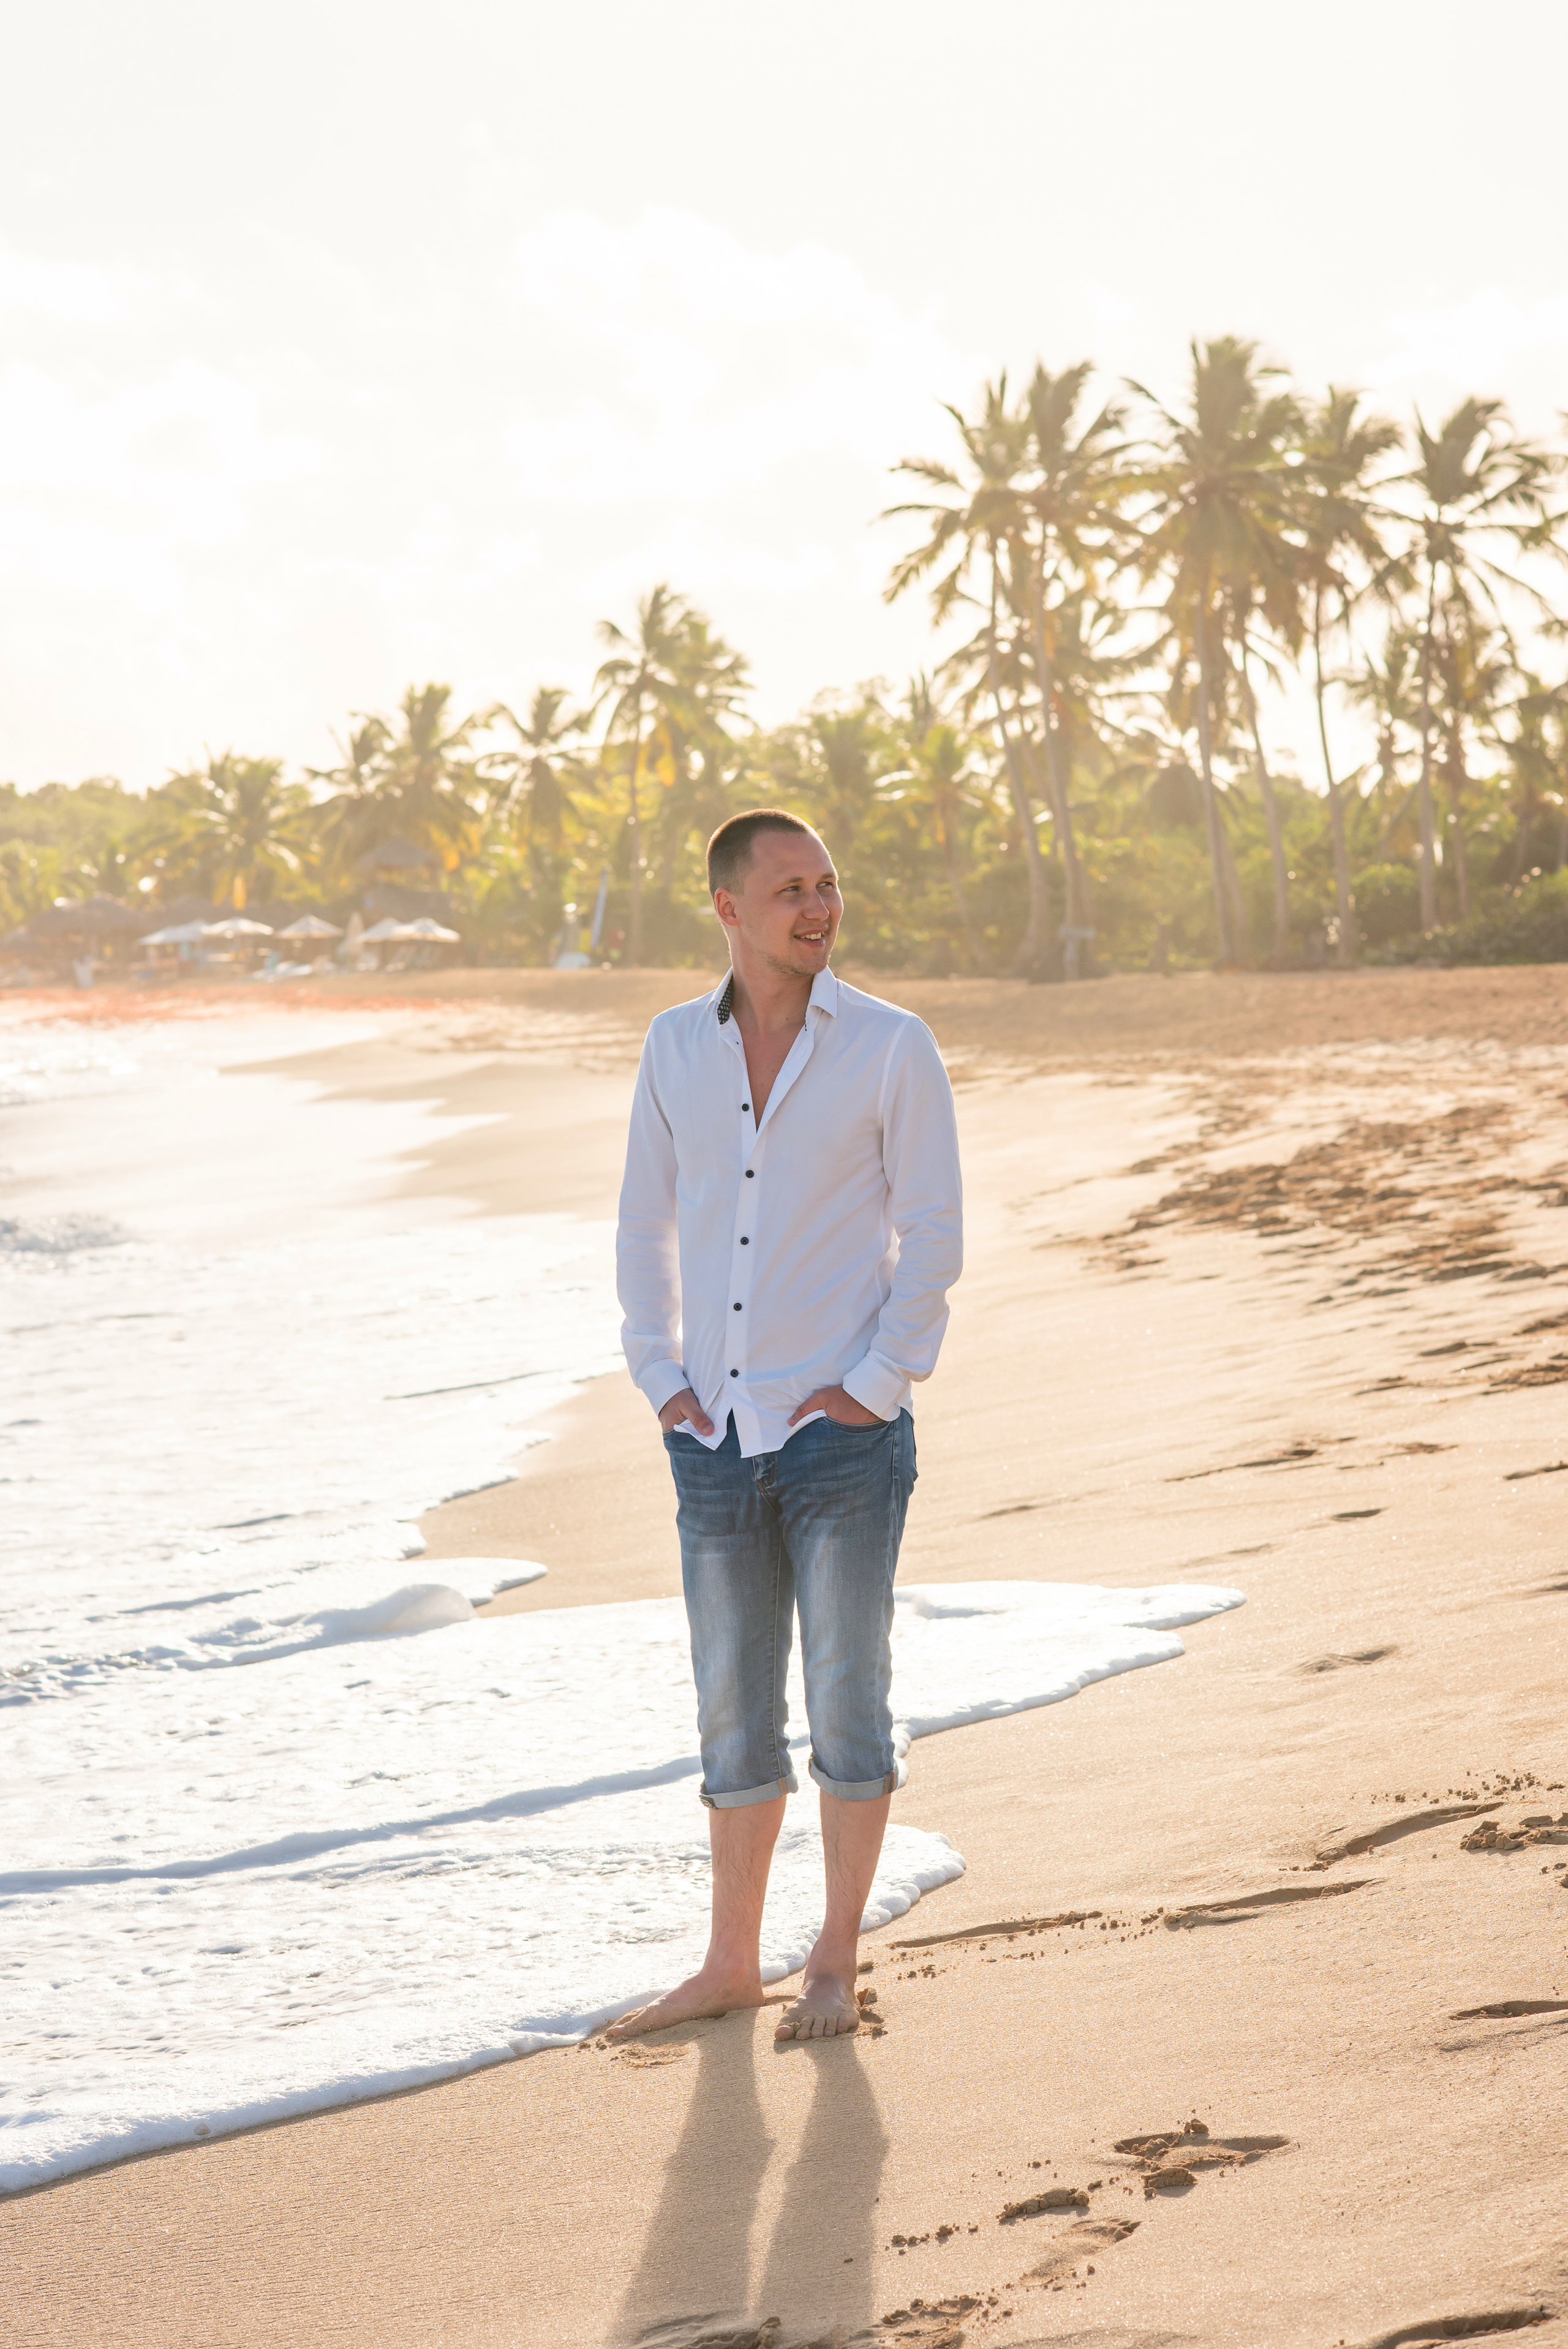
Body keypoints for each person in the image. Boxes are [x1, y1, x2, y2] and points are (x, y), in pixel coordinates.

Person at [609, 808, 963, 2043]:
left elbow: (932, 1234)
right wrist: (659, 1377)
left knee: (848, 1699)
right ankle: (725, 1963)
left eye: (827, 887)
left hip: (843, 1439)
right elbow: (645, 1224)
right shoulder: (672, 1049)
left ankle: (830, 1958)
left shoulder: (887, 1045)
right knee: (730, 1714)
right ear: (726, 909)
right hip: (711, 1435)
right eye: (789, 892)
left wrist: (874, 1384)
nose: (816, 909)